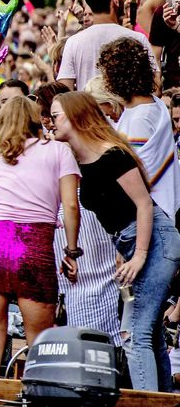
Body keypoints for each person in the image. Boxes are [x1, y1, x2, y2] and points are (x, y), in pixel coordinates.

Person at [52, 91, 180, 391]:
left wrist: (139, 255)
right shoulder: (83, 159)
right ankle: (164, 398)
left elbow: (144, 204)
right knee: (150, 333)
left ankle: (146, 400)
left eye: (56, 115)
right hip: (133, 243)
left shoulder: (112, 155)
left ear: (75, 117)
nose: (51, 121)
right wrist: (124, 252)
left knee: (133, 335)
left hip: (155, 242)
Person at [0, 96, 80, 378]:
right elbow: (70, 205)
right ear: (36, 119)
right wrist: (71, 250)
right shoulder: (58, 151)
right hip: (33, 248)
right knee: (40, 344)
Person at [99, 37, 180, 221]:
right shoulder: (155, 104)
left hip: (152, 218)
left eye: (107, 73)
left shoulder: (138, 119)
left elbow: (138, 176)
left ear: (117, 76)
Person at [57, 0, 156, 91]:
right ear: (115, 0)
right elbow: (156, 87)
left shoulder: (73, 43)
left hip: (88, 109)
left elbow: (65, 92)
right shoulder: (137, 39)